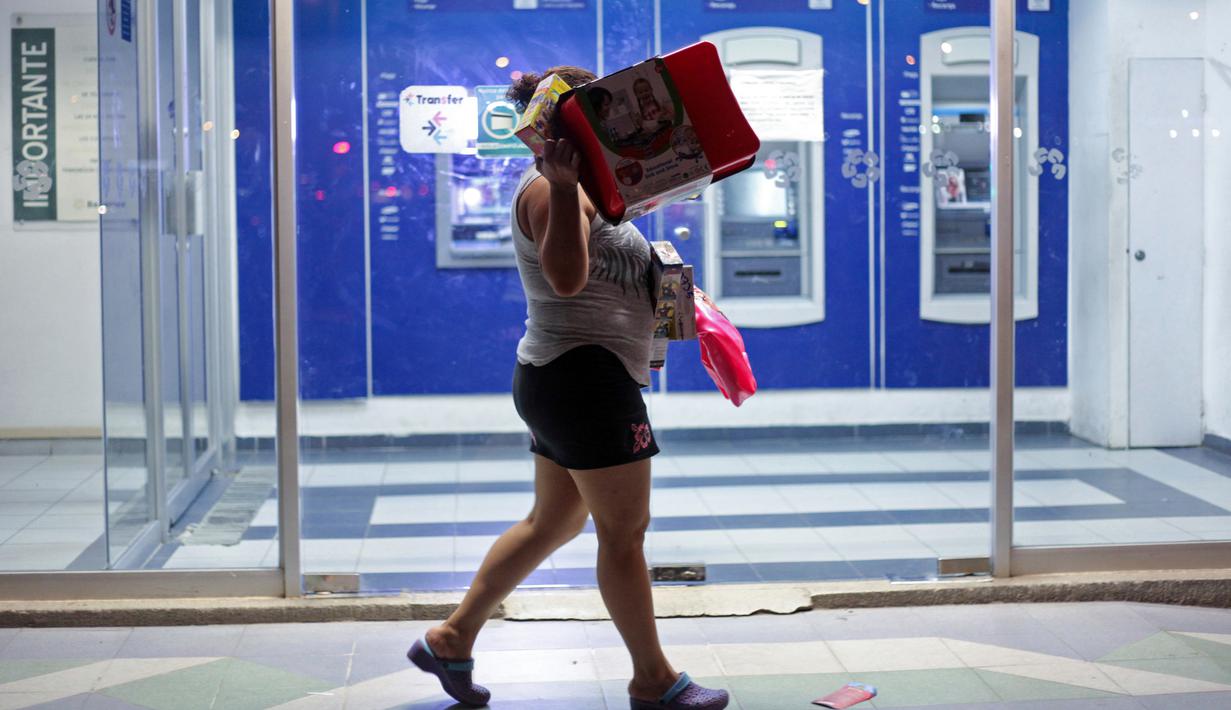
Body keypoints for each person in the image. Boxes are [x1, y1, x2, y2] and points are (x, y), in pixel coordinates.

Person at [406, 65, 729, 710]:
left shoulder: (586, 188)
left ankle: (451, 636)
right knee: (625, 532)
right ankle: (652, 679)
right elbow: (566, 277)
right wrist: (559, 186)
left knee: (551, 521)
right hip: (586, 379)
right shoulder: (549, 190)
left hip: (563, 377)